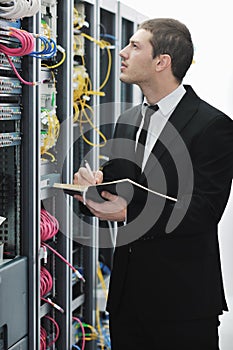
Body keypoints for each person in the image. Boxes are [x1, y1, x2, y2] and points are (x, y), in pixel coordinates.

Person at [74, 18, 233, 350]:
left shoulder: (212, 125)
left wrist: (129, 212)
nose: (122, 53)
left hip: (183, 307)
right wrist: (88, 190)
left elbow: (203, 211)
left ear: (162, 62)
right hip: (127, 303)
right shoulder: (127, 120)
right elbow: (114, 191)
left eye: (135, 46)